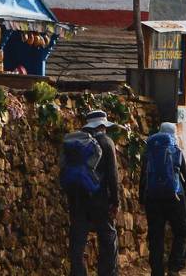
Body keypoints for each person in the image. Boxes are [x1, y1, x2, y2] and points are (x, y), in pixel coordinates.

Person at [61, 110, 122, 276]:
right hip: (100, 200)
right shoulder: (106, 142)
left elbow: (63, 168)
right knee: (108, 239)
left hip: (78, 199)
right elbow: (112, 175)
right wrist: (115, 201)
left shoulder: (75, 142)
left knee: (78, 242)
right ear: (103, 125)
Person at [140, 122, 186, 276]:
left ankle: (156, 271)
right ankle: (174, 267)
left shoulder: (148, 152)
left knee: (156, 235)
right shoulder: (176, 151)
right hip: (175, 197)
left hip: (152, 198)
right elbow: (185, 178)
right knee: (182, 231)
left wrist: (142, 198)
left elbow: (144, 177)